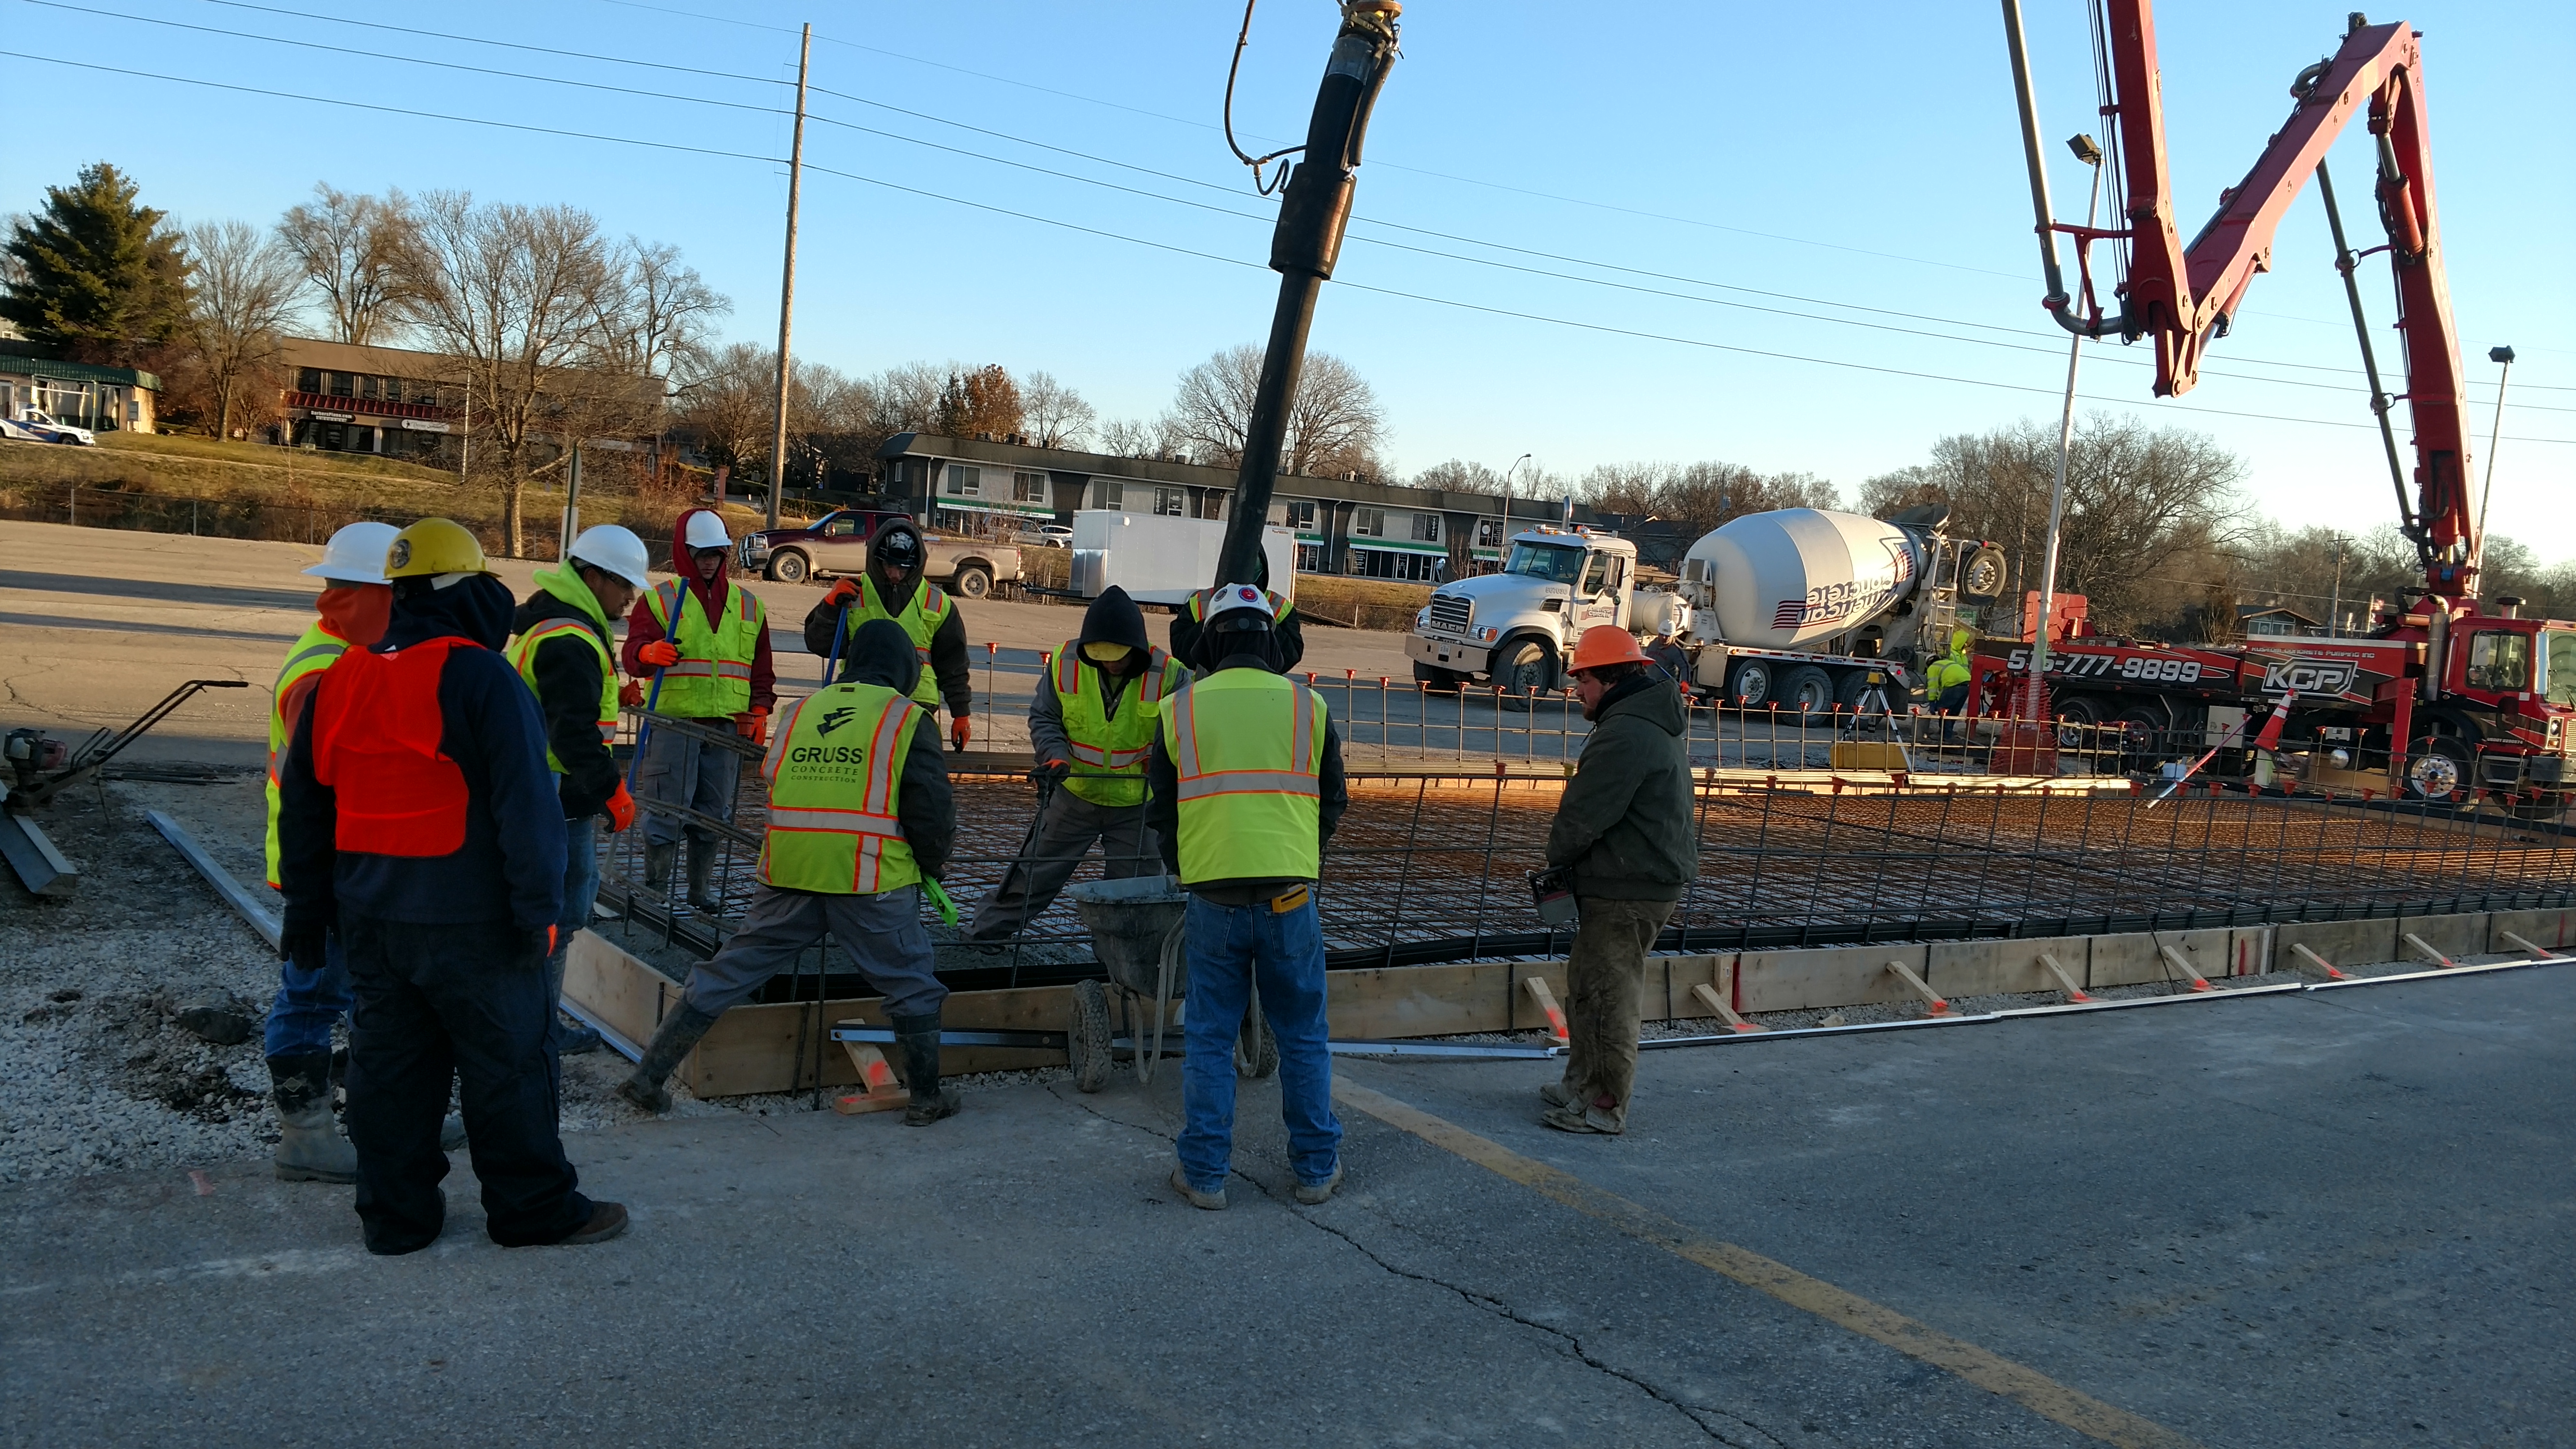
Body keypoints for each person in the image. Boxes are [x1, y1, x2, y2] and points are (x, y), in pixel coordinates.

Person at [276, 518, 625, 1253]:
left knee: (392, 1070)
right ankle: (531, 1207)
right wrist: (539, 910)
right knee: (508, 1065)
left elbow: (306, 804)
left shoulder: (345, 674)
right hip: (474, 921)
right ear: (465, 590)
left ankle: (395, 1217)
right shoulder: (478, 674)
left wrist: (308, 911)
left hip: (371, 915)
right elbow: (526, 806)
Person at [617, 620, 964, 1126]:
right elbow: (931, 810)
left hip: (788, 871)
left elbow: (775, 778)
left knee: (730, 969)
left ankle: (647, 1078)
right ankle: (925, 1099)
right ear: (905, 670)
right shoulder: (905, 718)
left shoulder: (802, 710)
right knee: (911, 982)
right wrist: (931, 867)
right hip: (867, 879)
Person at [1145, 584, 1349, 1210]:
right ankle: (1316, 1171)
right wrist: (1294, 856)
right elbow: (1333, 800)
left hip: (1214, 900)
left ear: (1212, 640)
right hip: (1289, 897)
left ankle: (1204, 1176)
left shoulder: (1178, 710)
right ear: (1269, 641)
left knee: (1208, 1037)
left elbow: (1163, 814)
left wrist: (1196, 866)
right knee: (1303, 1036)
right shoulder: (1308, 706)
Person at [261, 520, 397, 1184]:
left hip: (352, 865)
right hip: (324, 869)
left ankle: (375, 1118)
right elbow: (331, 790)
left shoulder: (351, 652)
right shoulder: (323, 671)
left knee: (362, 990)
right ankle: (305, 1135)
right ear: (373, 595)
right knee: (314, 994)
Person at [1537, 626, 1700, 1136]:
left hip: (1628, 887)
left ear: (1605, 678)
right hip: (1624, 879)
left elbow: (1583, 816)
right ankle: (1580, 1084)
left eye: (1581, 680)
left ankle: (1603, 1105)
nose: (1576, 691)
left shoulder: (1626, 733)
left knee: (1609, 997)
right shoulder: (1637, 721)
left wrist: (1555, 863)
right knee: (1589, 988)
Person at [964, 586, 1187, 942]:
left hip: (1137, 806)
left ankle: (1121, 967)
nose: (1110, 663)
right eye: (1101, 655)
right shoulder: (1066, 663)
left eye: (1118, 656)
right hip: (1074, 795)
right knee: (1033, 875)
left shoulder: (1170, 675)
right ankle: (984, 939)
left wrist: (1162, 762)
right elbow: (1045, 718)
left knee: (1137, 897)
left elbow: (1182, 736)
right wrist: (1055, 756)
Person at [509, 524, 651, 1058]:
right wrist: (611, 791)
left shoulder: (555, 621)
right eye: (623, 587)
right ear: (593, 577)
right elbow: (571, 733)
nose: (629, 598)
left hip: (546, 794)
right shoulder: (569, 639)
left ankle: (536, 1025)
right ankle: (535, 1032)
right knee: (558, 917)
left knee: (553, 919)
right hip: (555, 798)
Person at [624, 507, 776, 911]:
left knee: (713, 814)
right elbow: (632, 652)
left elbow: (762, 668)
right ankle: (655, 893)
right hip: (675, 723)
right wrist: (647, 652)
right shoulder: (661, 601)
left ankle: (699, 893)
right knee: (667, 811)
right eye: (701, 554)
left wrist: (760, 710)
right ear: (684, 552)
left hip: (724, 729)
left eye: (716, 554)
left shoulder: (748, 606)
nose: (709, 561)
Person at [805, 516, 974, 751]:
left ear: (916, 565)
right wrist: (830, 607)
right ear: (877, 560)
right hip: (860, 703)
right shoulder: (853, 594)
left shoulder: (937, 603)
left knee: (912, 778)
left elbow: (953, 665)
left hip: (916, 706)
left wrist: (961, 713)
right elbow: (820, 645)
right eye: (889, 566)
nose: (895, 574)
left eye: (903, 568)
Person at [1168, 578, 1304, 675]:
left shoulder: (1280, 606)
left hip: (1206, 693)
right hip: (1266, 692)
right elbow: (1182, 650)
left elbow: (1291, 654)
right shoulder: (1200, 601)